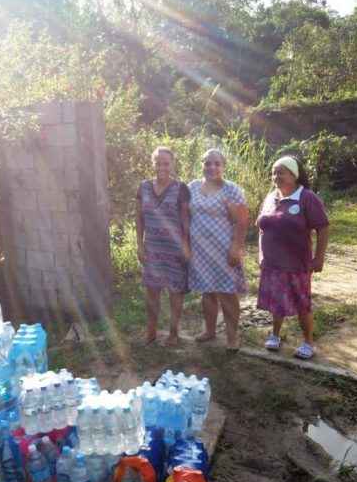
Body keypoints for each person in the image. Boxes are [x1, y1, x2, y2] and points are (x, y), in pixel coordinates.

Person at [256, 155, 329, 360]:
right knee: (276, 300)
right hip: (272, 263)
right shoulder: (271, 197)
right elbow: (261, 228)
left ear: (294, 175)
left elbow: (323, 228)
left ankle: (308, 342)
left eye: (282, 172)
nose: (276, 176)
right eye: (274, 172)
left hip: (297, 263)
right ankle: (275, 335)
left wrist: (319, 258)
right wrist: (261, 254)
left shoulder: (307, 197)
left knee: (301, 302)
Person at [188, 148, 249, 350]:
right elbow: (186, 215)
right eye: (207, 163)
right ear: (202, 165)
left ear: (223, 166)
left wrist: (236, 247)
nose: (212, 167)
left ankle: (232, 337)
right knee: (207, 291)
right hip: (200, 250)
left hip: (224, 249)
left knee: (227, 292)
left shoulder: (231, 189)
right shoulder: (193, 187)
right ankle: (210, 331)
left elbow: (241, 222)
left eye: (216, 163)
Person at [136, 146, 191, 346]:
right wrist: (139, 245)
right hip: (152, 248)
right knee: (152, 291)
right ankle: (151, 331)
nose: (162, 166)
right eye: (158, 162)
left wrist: (185, 246)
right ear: (153, 163)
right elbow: (139, 218)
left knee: (175, 291)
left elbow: (186, 221)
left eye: (166, 163)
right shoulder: (143, 187)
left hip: (174, 250)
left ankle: (173, 333)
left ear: (172, 164)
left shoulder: (180, 188)